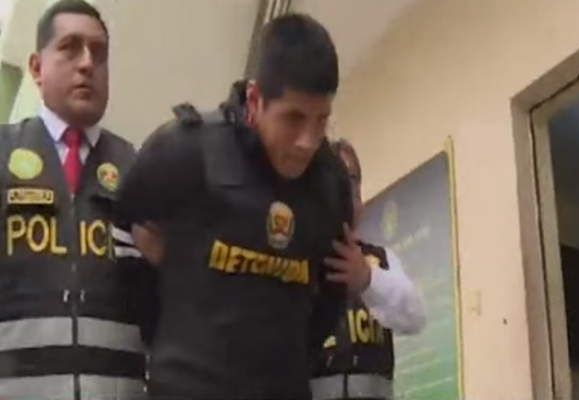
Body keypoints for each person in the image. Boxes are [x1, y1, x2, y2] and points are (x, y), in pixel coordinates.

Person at [114, 13, 367, 400]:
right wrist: (166, 335)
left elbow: (331, 295)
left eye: (321, 120)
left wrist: (290, 363)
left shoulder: (329, 183)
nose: (307, 140)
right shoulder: (185, 150)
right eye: (293, 118)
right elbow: (122, 225)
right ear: (254, 99)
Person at [0, 1, 154, 399]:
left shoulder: (139, 169)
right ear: (37, 68)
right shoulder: (2, 153)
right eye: (70, 48)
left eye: (99, 53)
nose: (87, 63)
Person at [310, 138, 426, 400]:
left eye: (352, 180)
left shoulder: (381, 259)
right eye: (337, 179)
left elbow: (417, 317)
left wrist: (368, 280)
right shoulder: (297, 261)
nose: (347, 191)